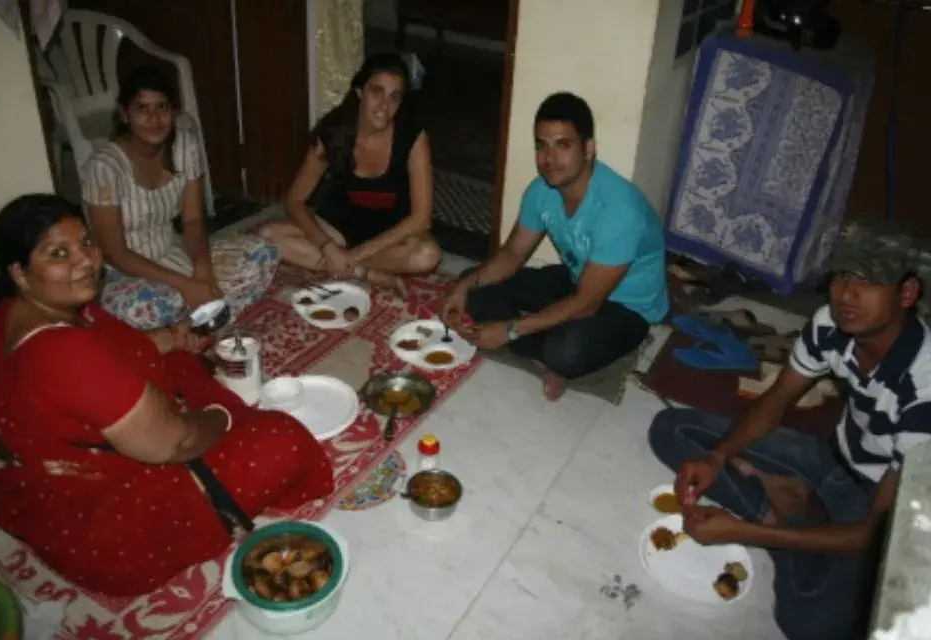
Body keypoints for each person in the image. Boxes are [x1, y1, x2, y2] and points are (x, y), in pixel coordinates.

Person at [0, 194, 333, 597]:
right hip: (105, 525)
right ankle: (235, 429)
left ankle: (218, 415)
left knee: (179, 360)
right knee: (283, 440)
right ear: (20, 272)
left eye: (86, 243)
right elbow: (174, 444)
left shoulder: (9, 310)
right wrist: (223, 414)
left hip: (47, 479)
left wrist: (169, 339)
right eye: (59, 253)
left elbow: (122, 349)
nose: (85, 261)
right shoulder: (64, 352)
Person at [648, 242, 928, 640]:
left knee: (811, 627)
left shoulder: (924, 393)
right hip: (829, 456)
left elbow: (877, 533)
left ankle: (786, 519)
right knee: (670, 430)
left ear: (906, 293)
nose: (847, 295)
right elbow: (778, 398)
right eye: (841, 278)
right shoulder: (831, 325)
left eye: (868, 282)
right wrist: (718, 457)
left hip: (878, 504)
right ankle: (788, 511)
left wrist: (747, 532)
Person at [440, 92, 668, 400]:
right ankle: (542, 348)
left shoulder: (619, 211)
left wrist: (510, 330)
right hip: (578, 278)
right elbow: (512, 254)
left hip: (627, 307)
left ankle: (548, 353)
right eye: (542, 145)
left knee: (566, 351)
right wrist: (464, 286)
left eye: (563, 145)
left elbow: (586, 304)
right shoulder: (542, 190)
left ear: (588, 149)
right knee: (475, 284)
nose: (549, 158)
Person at [82, 66, 278, 331]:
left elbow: (193, 220)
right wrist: (185, 285)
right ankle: (193, 324)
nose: (154, 118)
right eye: (142, 108)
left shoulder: (184, 146)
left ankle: (201, 323)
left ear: (173, 111)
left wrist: (202, 269)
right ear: (124, 114)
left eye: (162, 107)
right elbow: (114, 253)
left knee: (261, 253)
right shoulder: (104, 167)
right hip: (126, 273)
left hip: (173, 253)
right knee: (162, 304)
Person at [258, 53, 441, 294]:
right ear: (359, 92)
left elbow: (421, 218)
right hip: (338, 229)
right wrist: (326, 246)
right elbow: (294, 201)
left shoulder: (414, 139)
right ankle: (367, 273)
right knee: (267, 235)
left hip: (389, 238)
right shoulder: (333, 133)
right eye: (377, 92)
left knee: (427, 254)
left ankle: (345, 265)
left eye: (394, 97)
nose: (384, 106)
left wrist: (353, 255)